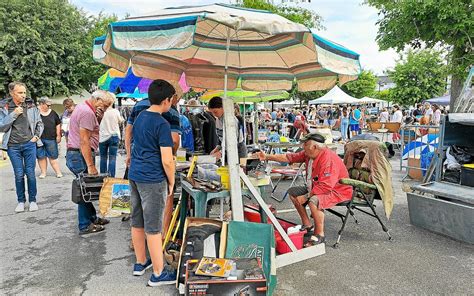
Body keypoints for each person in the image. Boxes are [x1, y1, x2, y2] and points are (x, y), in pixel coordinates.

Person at [256, 133, 352, 246]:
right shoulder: (310, 153)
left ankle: (319, 235)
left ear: (315, 147)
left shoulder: (328, 159)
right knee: (293, 192)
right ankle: (307, 225)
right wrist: (267, 156)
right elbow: (289, 157)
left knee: (314, 201)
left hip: (337, 191)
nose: (303, 148)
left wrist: (306, 196)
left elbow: (326, 187)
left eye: (305, 145)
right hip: (317, 187)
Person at [128, 79, 176, 286]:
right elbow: (167, 159)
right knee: (154, 226)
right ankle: (158, 273)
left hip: (135, 175)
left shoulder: (139, 117)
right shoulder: (162, 123)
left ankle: (140, 262)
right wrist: (172, 181)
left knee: (137, 220)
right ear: (167, 100)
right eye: (172, 100)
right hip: (152, 178)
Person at [66, 90, 114, 234]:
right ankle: (85, 224)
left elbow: (92, 132)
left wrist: (100, 118)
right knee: (85, 190)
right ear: (97, 99)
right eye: (104, 105)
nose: (105, 108)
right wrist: (91, 165)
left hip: (78, 154)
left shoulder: (85, 109)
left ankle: (92, 218)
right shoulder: (87, 112)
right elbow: (84, 140)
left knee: (87, 188)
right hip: (79, 155)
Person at [0, 82, 43, 213]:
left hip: (29, 144)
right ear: (12, 93)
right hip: (13, 146)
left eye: (24, 92)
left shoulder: (30, 105)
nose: (23, 95)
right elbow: (1, 126)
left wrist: (36, 136)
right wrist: (13, 115)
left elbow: (39, 123)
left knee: (30, 174)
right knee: (19, 174)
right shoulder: (4, 107)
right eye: (20, 93)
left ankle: (33, 200)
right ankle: (21, 201)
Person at [36, 97, 62, 178]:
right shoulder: (36, 113)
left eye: (50, 105)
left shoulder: (53, 113)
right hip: (39, 138)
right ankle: (43, 173)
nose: (49, 107)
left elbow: (58, 124)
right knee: (41, 156)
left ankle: (58, 172)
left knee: (53, 156)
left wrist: (58, 135)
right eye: (48, 105)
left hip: (51, 138)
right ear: (41, 104)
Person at [99, 101, 124, 177]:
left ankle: (103, 177)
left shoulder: (100, 112)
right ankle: (111, 177)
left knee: (103, 157)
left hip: (102, 137)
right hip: (113, 136)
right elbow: (121, 121)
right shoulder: (115, 111)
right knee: (112, 158)